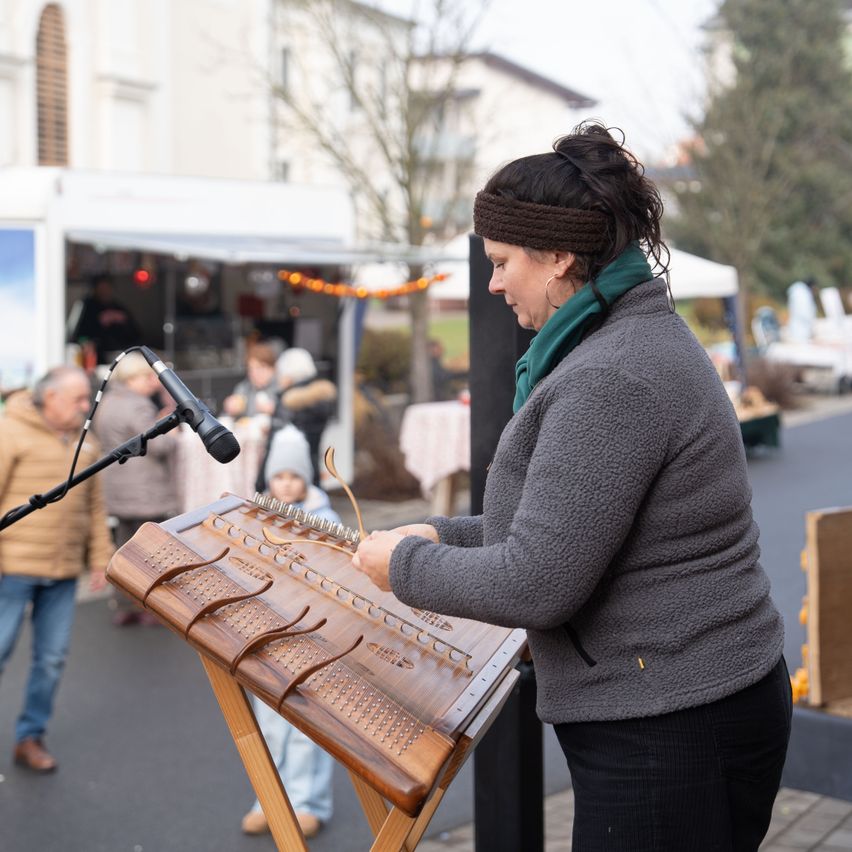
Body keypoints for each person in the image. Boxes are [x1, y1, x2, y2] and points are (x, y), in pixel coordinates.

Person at [353, 122, 791, 851]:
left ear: (558, 256)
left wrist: (400, 567)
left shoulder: (611, 376)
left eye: (501, 262)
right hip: (685, 701)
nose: (490, 283)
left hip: (672, 725)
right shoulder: (624, 339)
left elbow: (537, 580)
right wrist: (441, 532)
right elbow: (567, 522)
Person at [0, 366, 113, 772]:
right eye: (79, 399)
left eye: (88, 399)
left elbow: (96, 508)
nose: (87, 407)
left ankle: (30, 737)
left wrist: (102, 558)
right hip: (11, 569)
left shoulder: (87, 444)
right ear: (49, 398)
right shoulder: (9, 434)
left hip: (64, 571)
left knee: (50, 660)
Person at [241, 424, 337, 838]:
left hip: (310, 636)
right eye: (279, 476)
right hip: (267, 634)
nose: (286, 484)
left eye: (295, 476)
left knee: (306, 725)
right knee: (268, 725)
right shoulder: (254, 514)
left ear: (307, 478)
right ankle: (268, 798)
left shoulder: (325, 520)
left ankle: (308, 802)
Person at [93, 352, 180, 625]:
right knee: (152, 552)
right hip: (145, 489)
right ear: (134, 378)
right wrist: (173, 434)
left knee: (124, 550)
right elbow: (158, 444)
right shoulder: (138, 406)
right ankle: (151, 608)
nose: (154, 382)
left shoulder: (107, 401)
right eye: (148, 377)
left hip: (117, 487)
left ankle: (123, 603)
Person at [255, 348, 337, 490]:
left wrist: (260, 483)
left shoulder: (289, 403)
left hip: (286, 479)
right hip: (310, 471)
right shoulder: (320, 397)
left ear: (289, 375)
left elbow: (274, 443)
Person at [68, 273, 141, 365]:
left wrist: (122, 320)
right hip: (96, 357)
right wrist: (98, 322)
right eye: (101, 288)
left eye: (107, 288)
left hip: (120, 355)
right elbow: (79, 335)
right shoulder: (86, 307)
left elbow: (136, 334)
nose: (105, 292)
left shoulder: (118, 308)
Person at [221, 342, 279, 418]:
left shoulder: (281, 388)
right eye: (251, 369)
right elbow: (227, 417)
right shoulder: (244, 387)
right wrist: (231, 410)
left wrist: (276, 410)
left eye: (260, 368)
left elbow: (291, 417)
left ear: (272, 368)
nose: (254, 373)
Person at [786, 278, 819, 342]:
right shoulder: (802, 294)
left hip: (796, 327)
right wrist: (811, 319)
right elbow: (805, 310)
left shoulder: (797, 292)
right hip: (802, 329)